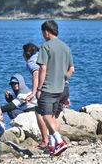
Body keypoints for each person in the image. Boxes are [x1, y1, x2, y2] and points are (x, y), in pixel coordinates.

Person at [35, 20, 74, 156]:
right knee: (54, 116)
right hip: (62, 88)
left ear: (46, 32)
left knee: (45, 116)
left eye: (43, 33)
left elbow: (42, 68)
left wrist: (39, 89)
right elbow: (72, 69)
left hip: (48, 88)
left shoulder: (45, 47)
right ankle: (52, 146)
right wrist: (62, 80)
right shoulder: (66, 47)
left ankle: (59, 142)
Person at [24, 43, 71, 150]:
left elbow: (37, 73)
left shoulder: (32, 60)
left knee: (40, 112)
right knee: (55, 116)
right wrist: (65, 95)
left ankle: (46, 142)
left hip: (51, 88)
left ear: (26, 54)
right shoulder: (48, 56)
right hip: (64, 86)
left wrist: (34, 92)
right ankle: (54, 144)